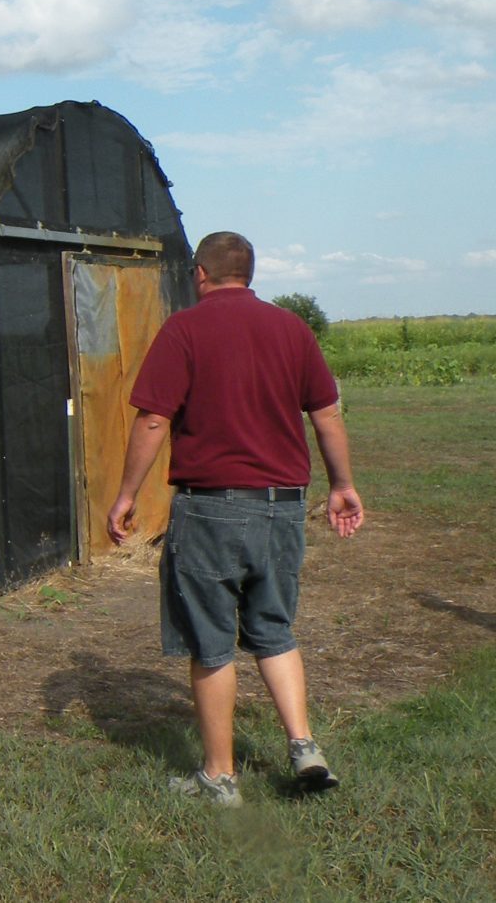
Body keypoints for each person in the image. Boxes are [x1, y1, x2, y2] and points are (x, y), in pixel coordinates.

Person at [107, 230, 364, 808]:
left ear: (201, 274)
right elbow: (326, 415)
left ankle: (220, 778)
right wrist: (342, 485)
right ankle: (303, 746)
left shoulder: (184, 329)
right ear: (250, 273)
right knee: (274, 628)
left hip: (210, 507)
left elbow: (153, 420)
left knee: (212, 641)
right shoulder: (291, 330)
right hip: (283, 506)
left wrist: (126, 493)